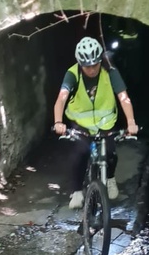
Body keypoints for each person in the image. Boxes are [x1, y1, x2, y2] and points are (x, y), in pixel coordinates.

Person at [53, 36, 139, 209]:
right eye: (87, 66)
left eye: (95, 64)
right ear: (80, 63)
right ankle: (77, 191)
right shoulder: (72, 73)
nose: (92, 69)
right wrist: (58, 122)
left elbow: (123, 98)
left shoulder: (111, 72)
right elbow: (61, 99)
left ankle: (110, 178)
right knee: (80, 153)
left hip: (106, 123)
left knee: (111, 152)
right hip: (81, 124)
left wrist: (131, 122)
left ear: (100, 60)